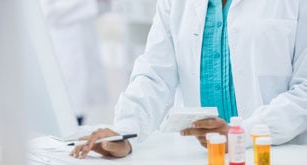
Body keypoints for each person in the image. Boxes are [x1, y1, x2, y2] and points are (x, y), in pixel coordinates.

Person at [71, 0, 307, 159]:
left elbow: (304, 91)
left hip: (276, 154)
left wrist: (240, 133)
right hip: (200, 156)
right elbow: (155, 76)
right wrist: (124, 132)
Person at [40, 0, 109, 125]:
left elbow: (101, 8)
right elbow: (48, 12)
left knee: (80, 112)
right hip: (64, 52)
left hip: (85, 50)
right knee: (67, 113)